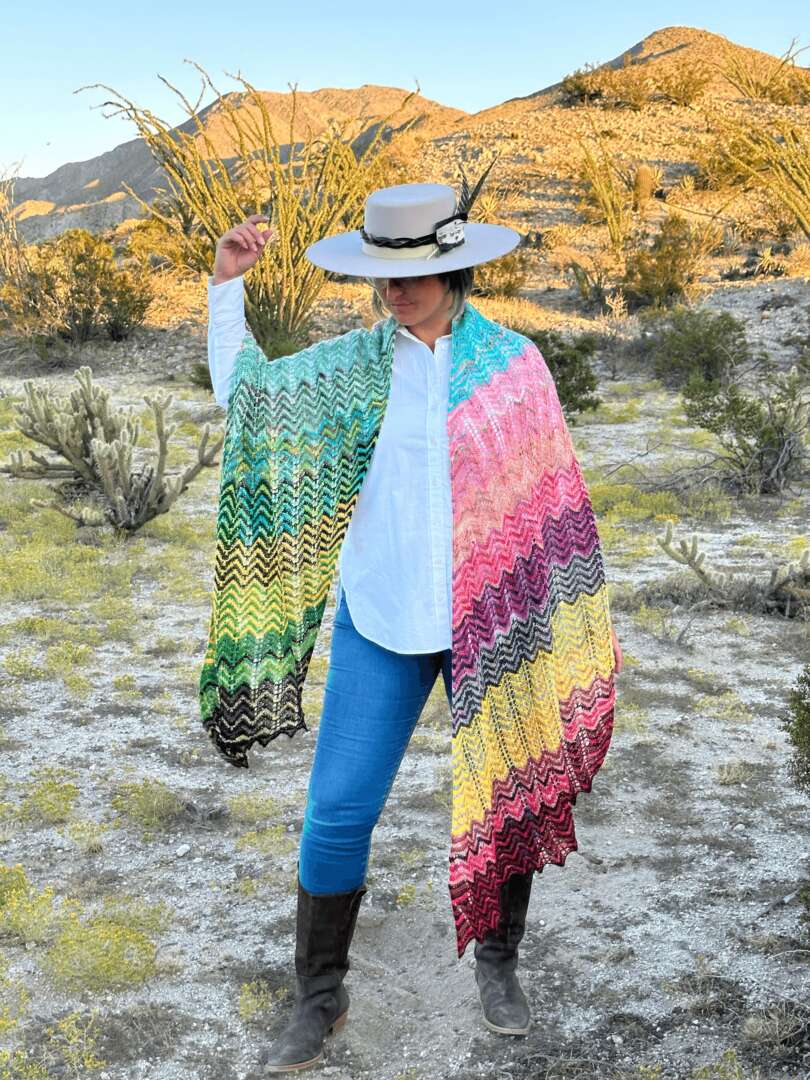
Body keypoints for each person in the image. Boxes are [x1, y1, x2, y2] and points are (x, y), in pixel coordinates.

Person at [203, 178, 623, 1074]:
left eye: (412, 273)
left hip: (496, 624)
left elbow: (552, 503)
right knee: (336, 811)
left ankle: (500, 963)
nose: (394, 289)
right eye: (382, 274)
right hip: (383, 618)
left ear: (456, 270)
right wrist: (226, 286)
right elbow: (247, 396)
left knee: (510, 787)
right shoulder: (351, 367)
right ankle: (320, 995)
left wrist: (569, 620)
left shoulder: (514, 368)